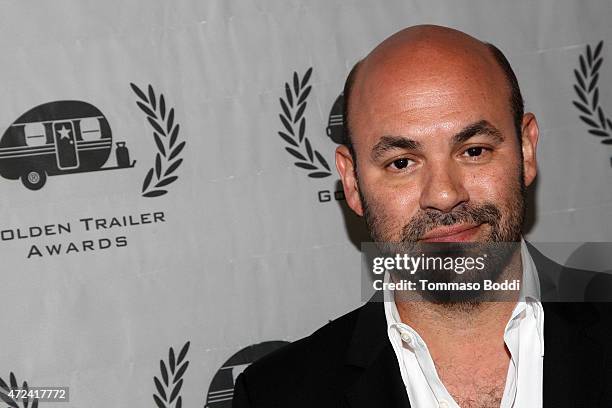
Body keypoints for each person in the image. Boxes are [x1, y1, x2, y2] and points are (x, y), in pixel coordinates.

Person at [232, 25, 612, 407]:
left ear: (526, 151)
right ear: (351, 181)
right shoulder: (277, 395)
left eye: (474, 151)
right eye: (402, 163)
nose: (445, 196)